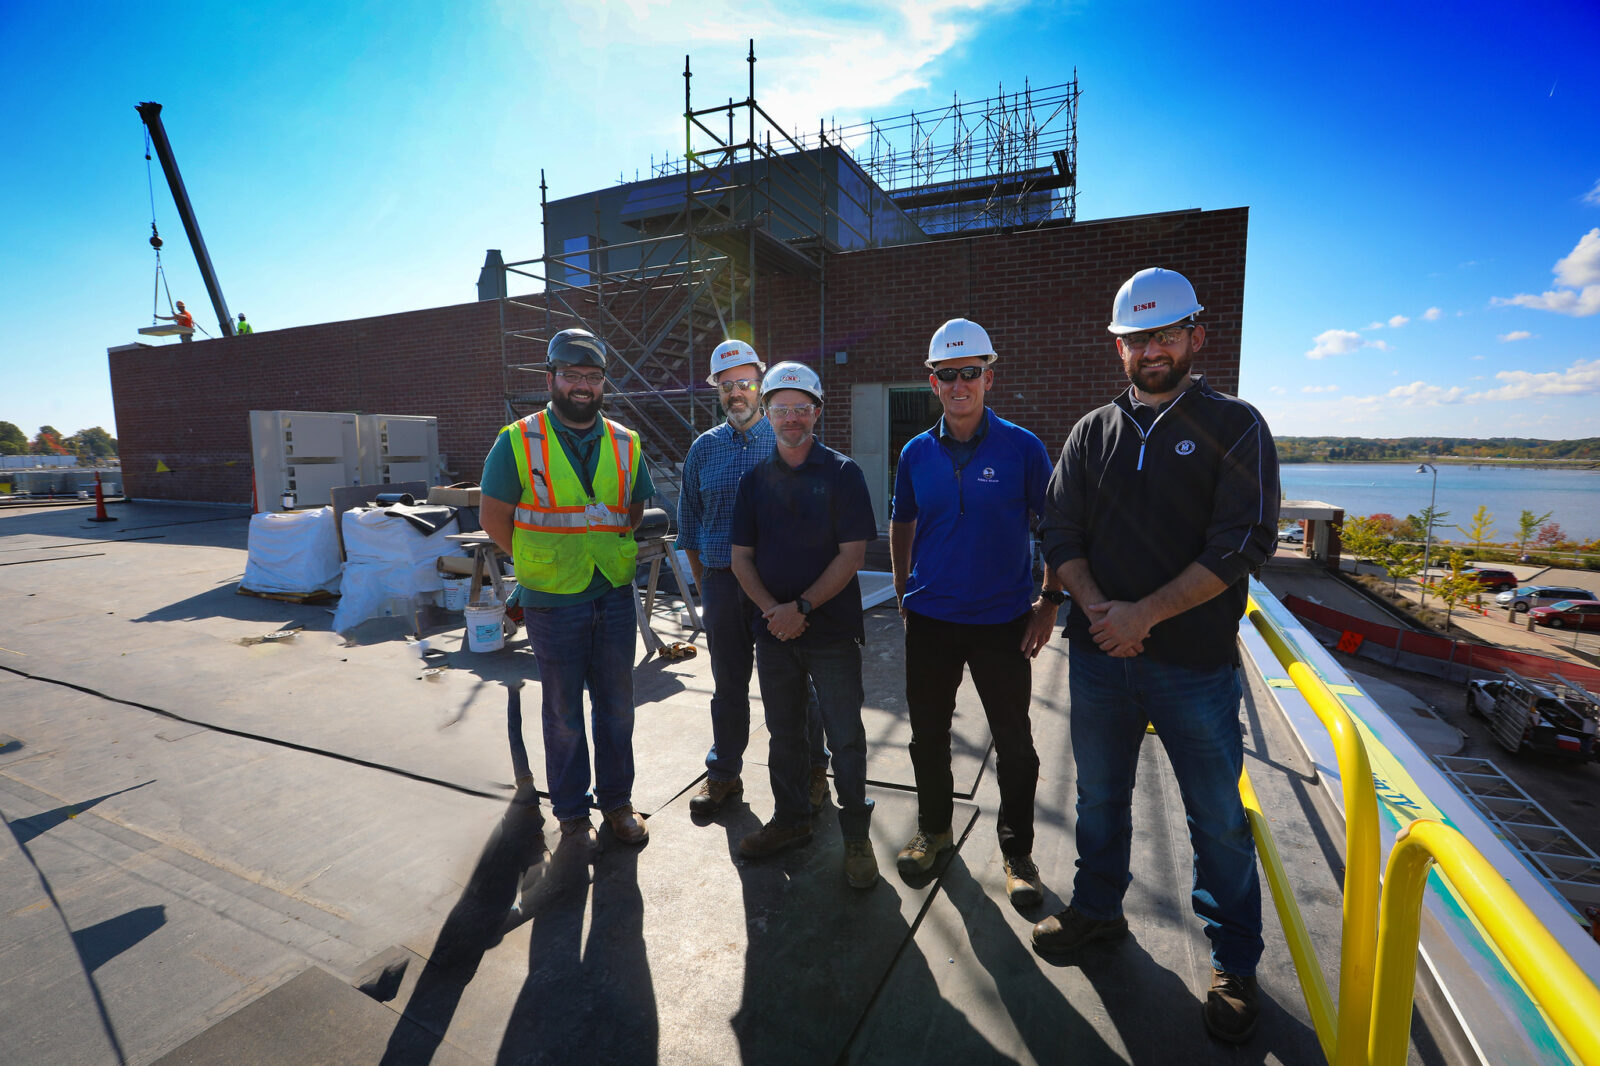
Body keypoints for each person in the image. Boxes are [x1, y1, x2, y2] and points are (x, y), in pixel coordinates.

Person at [1034, 268, 1279, 1044]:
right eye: (1138, 338)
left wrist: (1142, 614)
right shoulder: (1090, 432)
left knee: (1216, 819)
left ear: (1194, 337)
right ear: (1119, 346)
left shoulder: (1235, 425)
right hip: (1102, 657)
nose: (1151, 351)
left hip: (1194, 668)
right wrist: (1103, 609)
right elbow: (1059, 532)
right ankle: (1099, 912)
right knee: (1099, 800)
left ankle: (1234, 961)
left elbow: (1241, 543)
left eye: (1165, 335)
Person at [890, 318, 1060, 906]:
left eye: (971, 373)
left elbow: (1056, 530)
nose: (960, 384)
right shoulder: (915, 452)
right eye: (947, 374)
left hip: (1003, 621)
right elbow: (902, 520)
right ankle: (935, 830)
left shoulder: (1023, 448)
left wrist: (1050, 600)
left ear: (989, 376)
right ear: (931, 382)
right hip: (932, 619)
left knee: (1015, 742)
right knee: (927, 737)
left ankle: (1018, 854)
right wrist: (901, 588)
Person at [480, 328, 655, 847]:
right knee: (561, 712)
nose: (584, 386)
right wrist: (538, 560)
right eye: (573, 375)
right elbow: (494, 517)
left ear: (604, 384)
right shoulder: (517, 440)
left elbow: (636, 506)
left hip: (614, 592)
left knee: (618, 706)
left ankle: (618, 806)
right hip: (553, 601)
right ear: (551, 378)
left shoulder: (626, 442)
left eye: (593, 377)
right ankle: (573, 815)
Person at [730, 362, 880, 888]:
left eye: (801, 408)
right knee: (784, 735)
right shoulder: (754, 481)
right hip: (774, 635)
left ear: (817, 411)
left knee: (846, 738)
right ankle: (791, 820)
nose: (791, 418)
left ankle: (858, 838)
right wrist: (775, 611)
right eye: (780, 409)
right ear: (766, 413)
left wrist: (803, 609)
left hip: (831, 632)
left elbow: (852, 555)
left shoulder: (843, 474)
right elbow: (740, 558)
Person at [676, 340, 830, 818]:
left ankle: (812, 770)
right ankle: (723, 773)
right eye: (727, 386)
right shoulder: (704, 450)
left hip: (780, 587)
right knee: (728, 685)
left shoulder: (786, 439)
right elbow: (691, 528)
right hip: (723, 584)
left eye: (745, 382)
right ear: (717, 392)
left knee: (795, 684)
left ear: (760, 385)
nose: (736, 392)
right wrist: (707, 588)